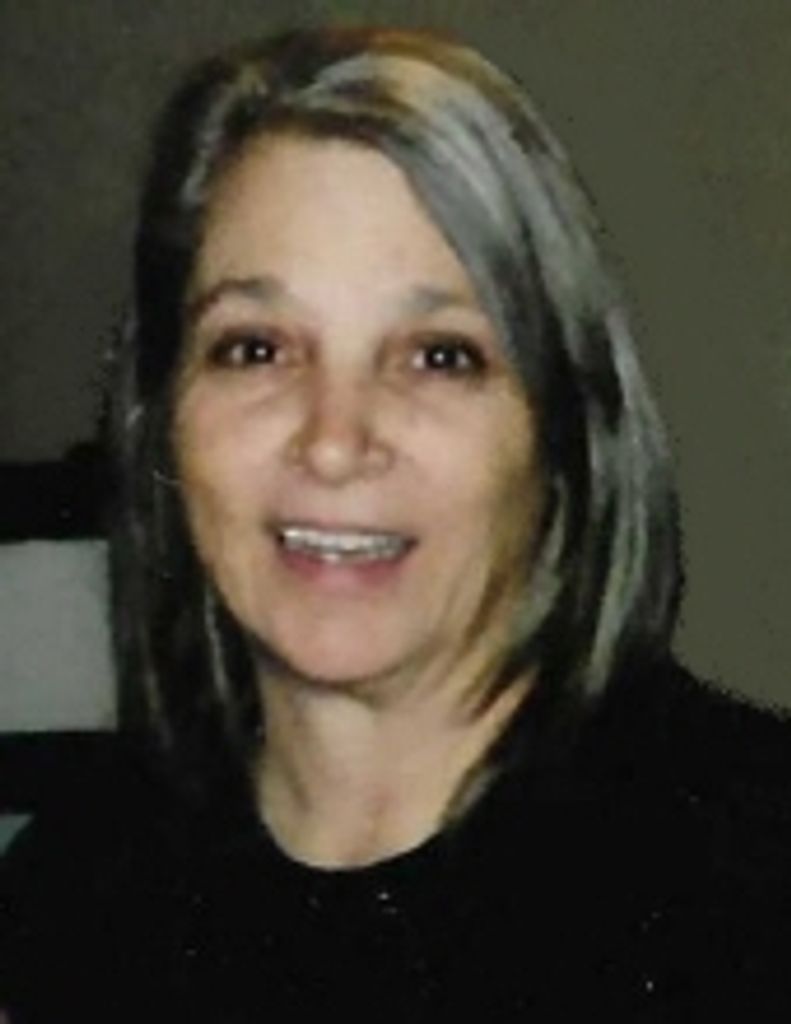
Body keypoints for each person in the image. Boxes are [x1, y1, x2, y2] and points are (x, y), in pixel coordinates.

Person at [2, 25, 790, 1021]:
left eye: (438, 356)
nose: (334, 442)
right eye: (254, 348)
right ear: (159, 417)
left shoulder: (751, 879)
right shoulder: (73, 896)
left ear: (562, 432)